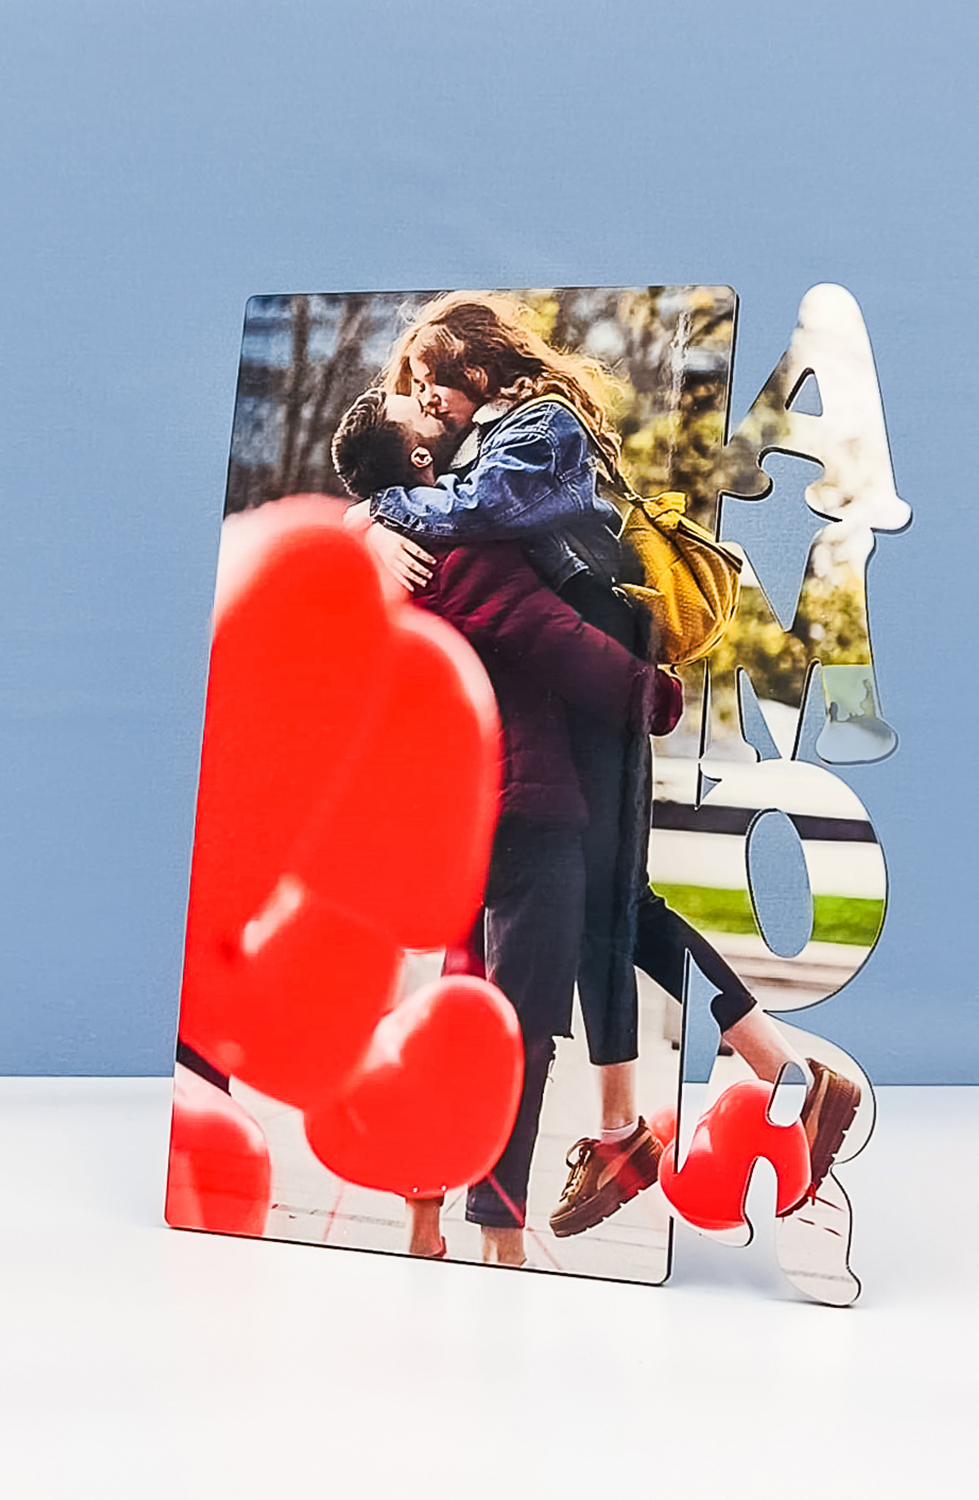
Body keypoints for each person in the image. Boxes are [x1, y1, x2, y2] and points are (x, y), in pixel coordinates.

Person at [357, 294, 863, 1236]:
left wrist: (381, 510)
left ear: (477, 370)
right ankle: (669, 1112)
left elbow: (484, 515)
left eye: (431, 382)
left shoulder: (535, 426)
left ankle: (754, 1083)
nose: (425, 398)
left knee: (615, 904)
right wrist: (377, 522)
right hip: (590, 693)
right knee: (609, 908)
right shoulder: (487, 445)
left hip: (606, 677)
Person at [332, 387, 683, 1266]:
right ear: (420, 461)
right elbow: (555, 636)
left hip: (448, 828)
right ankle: (500, 1236)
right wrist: (656, 695)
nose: (437, 412)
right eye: (420, 415)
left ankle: (423, 1219)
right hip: (526, 815)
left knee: (457, 1016)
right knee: (516, 1033)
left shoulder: (385, 563)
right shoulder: (464, 553)